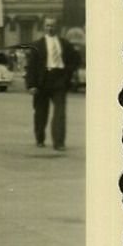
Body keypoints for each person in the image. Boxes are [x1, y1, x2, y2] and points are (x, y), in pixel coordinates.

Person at [25, 18, 80, 151]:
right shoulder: (37, 45)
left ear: (58, 27)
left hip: (59, 79)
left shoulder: (64, 44)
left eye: (53, 26)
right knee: (41, 112)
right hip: (42, 81)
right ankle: (40, 138)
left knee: (60, 112)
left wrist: (68, 71)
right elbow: (31, 66)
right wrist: (31, 85)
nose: (51, 28)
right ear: (44, 27)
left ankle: (59, 142)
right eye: (48, 25)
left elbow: (76, 59)